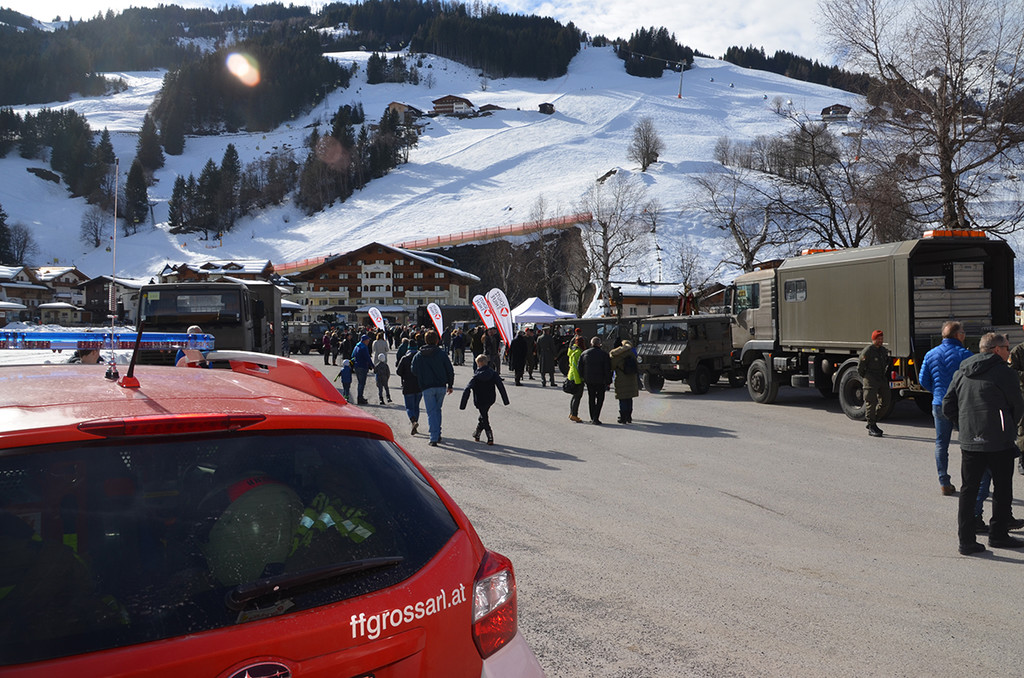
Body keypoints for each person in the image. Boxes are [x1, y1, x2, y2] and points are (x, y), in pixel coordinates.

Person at [942, 332, 1024, 555]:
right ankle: (998, 535)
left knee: (969, 491)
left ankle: (966, 541)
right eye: (1007, 347)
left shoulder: (962, 371)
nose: (1009, 351)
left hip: (971, 441)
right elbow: (1017, 405)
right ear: (996, 350)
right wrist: (1007, 426)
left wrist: (965, 426)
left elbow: (947, 405)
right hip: (999, 442)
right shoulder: (1004, 373)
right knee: (1002, 489)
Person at [918, 320, 972, 495]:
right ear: (958, 335)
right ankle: (970, 481)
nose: (964, 334)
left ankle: (944, 482)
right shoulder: (965, 355)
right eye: (963, 332)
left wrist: (937, 392)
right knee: (968, 444)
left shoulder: (930, 354)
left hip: (939, 403)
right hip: (960, 405)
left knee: (941, 444)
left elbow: (923, 380)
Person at [410, 330, 455, 446]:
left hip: (426, 386)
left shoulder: (419, 355)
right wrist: (450, 385)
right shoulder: (441, 354)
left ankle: (434, 437)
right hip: (440, 385)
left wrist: (422, 374)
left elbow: (413, 370)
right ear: (436, 340)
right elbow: (450, 370)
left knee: (431, 412)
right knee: (437, 410)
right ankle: (437, 433)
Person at [459, 355, 510, 445]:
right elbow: (500, 386)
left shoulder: (476, 376)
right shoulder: (493, 373)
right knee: (483, 415)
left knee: (484, 417)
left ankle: (490, 436)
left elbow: (467, 389)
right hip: (490, 399)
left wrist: (463, 404)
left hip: (480, 399)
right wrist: (505, 400)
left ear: (479, 363)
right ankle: (477, 433)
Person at [858, 329, 890, 437]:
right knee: (871, 402)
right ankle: (871, 426)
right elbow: (860, 367)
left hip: (881, 378)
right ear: (874, 339)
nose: (881, 341)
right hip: (871, 378)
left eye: (882, 339)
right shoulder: (868, 351)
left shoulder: (883, 350)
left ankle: (873, 420)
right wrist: (866, 378)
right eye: (879, 339)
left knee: (885, 401)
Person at [578, 336, 612, 425]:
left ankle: (592, 417)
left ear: (591, 343)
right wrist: (608, 381)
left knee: (591, 398)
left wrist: (583, 377)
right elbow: (607, 369)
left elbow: (580, 367)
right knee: (600, 399)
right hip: (601, 380)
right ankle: (596, 417)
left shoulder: (584, 353)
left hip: (589, 380)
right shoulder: (604, 354)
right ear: (599, 344)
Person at [609, 339, 640, 424]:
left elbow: (612, 366)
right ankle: (629, 417)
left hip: (621, 378)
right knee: (629, 398)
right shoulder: (632, 353)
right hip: (631, 378)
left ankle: (622, 417)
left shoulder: (618, 354)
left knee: (622, 399)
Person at [396, 345, 423, 435]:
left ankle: (413, 421)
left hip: (408, 385)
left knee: (409, 407)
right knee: (416, 406)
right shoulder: (420, 357)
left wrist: (405, 374)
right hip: (419, 385)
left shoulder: (404, 358)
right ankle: (415, 423)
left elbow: (398, 371)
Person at [566, 336, 586, 422]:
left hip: (572, 375)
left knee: (575, 396)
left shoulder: (573, 350)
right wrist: (578, 380)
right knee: (577, 396)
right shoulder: (578, 352)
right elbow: (575, 367)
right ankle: (574, 414)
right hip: (576, 377)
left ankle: (572, 413)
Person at [350, 334, 373, 405]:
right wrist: (372, 365)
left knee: (360, 382)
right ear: (365, 340)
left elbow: (352, 356)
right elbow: (367, 357)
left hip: (357, 366)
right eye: (368, 340)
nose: (368, 341)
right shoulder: (364, 347)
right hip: (362, 366)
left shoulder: (357, 346)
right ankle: (360, 398)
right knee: (362, 383)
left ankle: (360, 397)